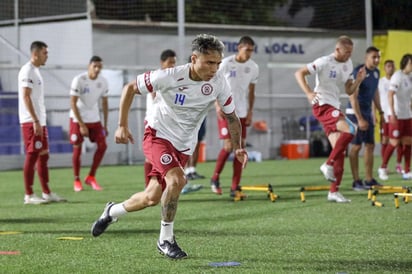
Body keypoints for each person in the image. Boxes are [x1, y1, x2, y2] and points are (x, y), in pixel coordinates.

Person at [91, 34, 248, 259]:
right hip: (157, 135)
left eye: (218, 63)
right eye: (209, 62)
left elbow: (232, 117)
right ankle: (165, 240)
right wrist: (121, 126)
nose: (214, 68)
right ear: (194, 59)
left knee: (151, 198)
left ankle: (110, 212)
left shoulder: (219, 82)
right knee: (177, 180)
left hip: (183, 146)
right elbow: (129, 88)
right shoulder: (169, 76)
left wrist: (238, 147)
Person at [295, 35, 365, 203]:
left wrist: (358, 81)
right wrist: (309, 92)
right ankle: (327, 164)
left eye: (351, 52)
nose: (349, 55)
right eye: (346, 52)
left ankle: (334, 191)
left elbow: (348, 90)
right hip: (323, 105)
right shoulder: (324, 62)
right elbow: (299, 73)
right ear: (337, 49)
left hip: (334, 105)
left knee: (340, 150)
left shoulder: (348, 65)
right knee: (352, 129)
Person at [210, 36, 259, 197]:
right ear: (239, 48)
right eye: (247, 50)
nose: (249, 53)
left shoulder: (253, 67)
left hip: (242, 112)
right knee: (229, 146)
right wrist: (217, 104)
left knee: (240, 147)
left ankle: (234, 187)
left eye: (252, 50)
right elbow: (214, 82)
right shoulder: (226, 63)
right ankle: (215, 178)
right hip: (225, 109)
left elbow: (252, 92)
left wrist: (250, 111)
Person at [18, 41, 66, 204]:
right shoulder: (27, 71)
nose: (47, 56)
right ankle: (29, 195)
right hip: (31, 122)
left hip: (40, 121)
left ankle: (47, 192)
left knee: (44, 156)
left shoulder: (36, 71)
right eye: (45, 53)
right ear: (35, 53)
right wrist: (35, 120)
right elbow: (26, 96)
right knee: (32, 156)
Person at [70, 56, 109, 192]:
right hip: (77, 118)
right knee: (77, 147)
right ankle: (76, 180)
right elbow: (73, 103)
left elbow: (104, 103)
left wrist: (105, 125)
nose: (97, 69)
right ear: (89, 66)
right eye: (95, 66)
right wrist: (81, 124)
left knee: (103, 146)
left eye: (100, 67)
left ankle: (91, 176)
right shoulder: (79, 80)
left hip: (94, 119)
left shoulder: (103, 82)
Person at [346, 46, 383, 191]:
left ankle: (369, 179)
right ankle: (356, 181)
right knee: (356, 146)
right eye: (374, 57)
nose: (377, 60)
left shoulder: (376, 73)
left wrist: (380, 111)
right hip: (354, 112)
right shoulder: (358, 72)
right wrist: (359, 118)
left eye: (378, 57)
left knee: (370, 145)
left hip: (367, 112)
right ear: (366, 58)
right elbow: (352, 97)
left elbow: (375, 93)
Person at [143, 49, 177, 188]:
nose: (172, 66)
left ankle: (160, 186)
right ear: (162, 63)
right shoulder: (156, 77)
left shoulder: (173, 79)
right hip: (153, 122)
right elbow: (154, 95)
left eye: (174, 63)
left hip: (168, 122)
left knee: (169, 154)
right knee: (151, 156)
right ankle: (148, 187)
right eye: (170, 62)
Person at [378, 54, 412, 181]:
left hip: (407, 114)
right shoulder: (398, 76)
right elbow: (390, 95)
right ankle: (383, 167)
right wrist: (392, 113)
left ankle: (407, 170)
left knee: (408, 142)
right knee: (394, 142)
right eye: (410, 63)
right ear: (405, 64)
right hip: (396, 115)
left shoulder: (410, 77)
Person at [377, 60, 400, 172]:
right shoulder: (380, 82)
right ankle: (384, 165)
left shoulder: (398, 81)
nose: (391, 68)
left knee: (399, 140)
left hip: (397, 114)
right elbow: (375, 98)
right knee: (385, 140)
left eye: (392, 66)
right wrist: (374, 113)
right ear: (385, 68)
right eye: (388, 66)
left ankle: (399, 164)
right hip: (384, 115)